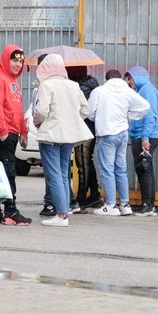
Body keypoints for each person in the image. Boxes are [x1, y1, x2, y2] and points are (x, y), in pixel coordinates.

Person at [32, 55, 93, 227]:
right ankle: (65, 210)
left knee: (54, 175)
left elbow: (42, 111)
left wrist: (37, 122)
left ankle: (61, 215)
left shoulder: (46, 85)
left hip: (50, 135)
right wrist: (73, 120)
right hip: (68, 136)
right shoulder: (73, 85)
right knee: (64, 173)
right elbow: (85, 110)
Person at [86, 69, 150, 217]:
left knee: (107, 170)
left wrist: (98, 117)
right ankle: (125, 205)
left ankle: (110, 205)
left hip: (106, 133)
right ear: (120, 78)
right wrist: (129, 116)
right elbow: (145, 107)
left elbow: (89, 112)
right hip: (122, 133)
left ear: (106, 78)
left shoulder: (99, 91)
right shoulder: (127, 91)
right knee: (121, 169)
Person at [0, 45, 31, 225]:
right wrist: (2, 130)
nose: (18, 64)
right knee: (5, 172)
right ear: (5, 59)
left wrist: (23, 130)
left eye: (20, 61)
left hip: (11, 132)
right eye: (14, 60)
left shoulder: (13, 81)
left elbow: (17, 110)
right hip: (2, 133)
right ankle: (10, 211)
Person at [126, 66, 158, 216]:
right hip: (143, 135)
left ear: (138, 77)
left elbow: (150, 115)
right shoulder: (143, 90)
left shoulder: (146, 90)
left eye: (130, 78)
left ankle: (147, 205)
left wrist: (145, 137)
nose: (128, 81)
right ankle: (149, 205)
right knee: (145, 169)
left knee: (143, 169)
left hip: (145, 135)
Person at [67, 65, 102, 210]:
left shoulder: (80, 88)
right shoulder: (91, 84)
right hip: (90, 129)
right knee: (87, 162)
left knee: (82, 165)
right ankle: (94, 194)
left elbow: (75, 107)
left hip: (83, 129)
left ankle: (81, 199)